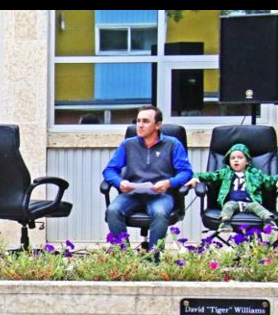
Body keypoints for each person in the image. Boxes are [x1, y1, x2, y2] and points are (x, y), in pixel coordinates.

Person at [102, 105, 193, 250]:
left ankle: (153, 260)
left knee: (159, 212)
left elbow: (186, 172)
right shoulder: (128, 144)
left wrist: (169, 183)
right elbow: (109, 170)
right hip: (132, 193)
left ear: (157, 125)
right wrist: (120, 182)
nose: (140, 125)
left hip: (160, 194)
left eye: (145, 121)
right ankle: (124, 257)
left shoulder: (172, 144)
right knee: (113, 210)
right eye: (138, 121)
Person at [186, 143, 278, 234]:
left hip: (251, 202)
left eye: (240, 157)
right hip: (232, 202)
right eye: (232, 158)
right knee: (227, 207)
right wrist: (195, 177)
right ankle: (225, 223)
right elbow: (209, 176)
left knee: (258, 208)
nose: (236, 160)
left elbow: (269, 180)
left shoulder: (255, 173)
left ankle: (269, 221)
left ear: (247, 161)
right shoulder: (226, 173)